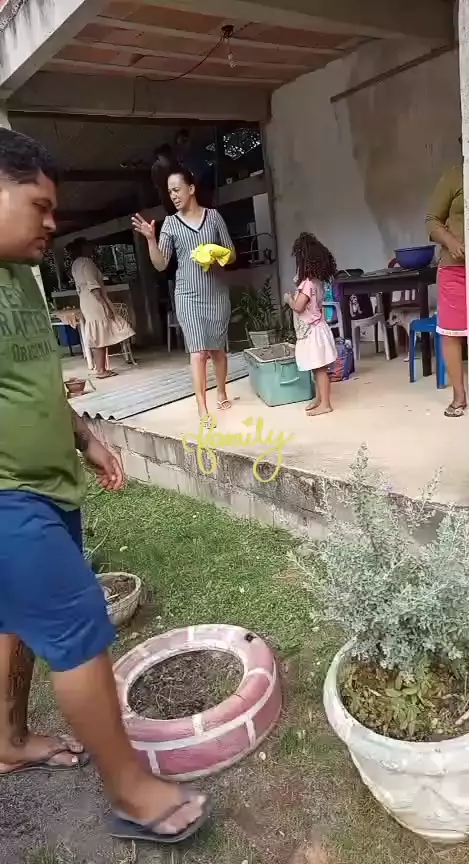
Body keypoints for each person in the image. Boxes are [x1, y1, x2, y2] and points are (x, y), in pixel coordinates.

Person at [0, 128, 209, 844]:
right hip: (7, 497)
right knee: (77, 623)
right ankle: (132, 792)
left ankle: (8, 739)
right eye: (38, 205)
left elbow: (31, 378)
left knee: (15, 623)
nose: (52, 221)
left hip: (47, 484)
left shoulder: (20, 277)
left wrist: (84, 437)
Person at [132, 168, 235, 419]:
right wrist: (151, 240)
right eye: (170, 192)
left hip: (216, 293)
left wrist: (216, 253)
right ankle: (202, 406)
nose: (173, 196)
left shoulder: (213, 217)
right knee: (198, 351)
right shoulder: (170, 224)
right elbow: (161, 264)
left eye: (177, 190)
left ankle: (221, 392)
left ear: (191, 188)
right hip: (188, 294)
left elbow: (231, 253)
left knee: (217, 350)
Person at [426, 157, 466, 417]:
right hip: (456, 268)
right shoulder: (454, 176)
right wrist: (451, 241)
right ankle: (459, 396)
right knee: (451, 332)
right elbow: (432, 221)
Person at [284, 232, 337, 416]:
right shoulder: (317, 282)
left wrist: (289, 300)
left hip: (312, 332)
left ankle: (326, 404)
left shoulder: (307, 284)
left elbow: (299, 307)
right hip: (317, 329)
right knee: (317, 367)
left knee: (320, 369)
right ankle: (319, 398)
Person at [69, 238, 135, 379]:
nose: (91, 248)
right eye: (88, 246)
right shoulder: (86, 262)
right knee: (100, 333)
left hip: (85, 300)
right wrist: (104, 304)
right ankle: (101, 370)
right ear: (83, 248)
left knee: (98, 333)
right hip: (94, 300)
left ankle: (101, 368)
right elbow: (93, 285)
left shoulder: (75, 264)